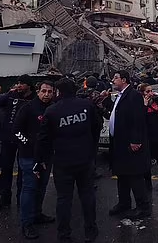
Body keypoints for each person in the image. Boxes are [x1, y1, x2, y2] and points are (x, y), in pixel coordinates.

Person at [35, 78, 100, 242]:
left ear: (58, 92)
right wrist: (92, 148)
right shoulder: (86, 105)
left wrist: (40, 159)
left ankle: (64, 234)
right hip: (85, 159)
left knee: (64, 199)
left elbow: (43, 138)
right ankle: (91, 230)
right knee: (87, 195)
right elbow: (97, 126)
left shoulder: (52, 111)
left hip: (62, 161)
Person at [0, 75, 35, 213]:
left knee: (23, 170)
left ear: (29, 85)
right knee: (6, 168)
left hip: (24, 139)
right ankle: (4, 197)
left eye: (22, 83)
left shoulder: (34, 99)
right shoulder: (11, 96)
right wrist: (1, 116)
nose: (19, 86)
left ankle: (21, 199)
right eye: (18, 83)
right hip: (8, 137)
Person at [13, 80, 56, 239]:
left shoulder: (53, 108)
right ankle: (27, 223)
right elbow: (16, 130)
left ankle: (37, 214)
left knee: (42, 187)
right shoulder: (28, 108)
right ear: (38, 91)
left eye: (49, 92)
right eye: (43, 91)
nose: (46, 94)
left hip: (46, 156)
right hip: (29, 157)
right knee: (29, 188)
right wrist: (28, 144)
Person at [108, 70, 151, 219]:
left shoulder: (133, 96)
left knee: (134, 175)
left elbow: (138, 119)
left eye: (116, 78)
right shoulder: (120, 95)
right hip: (119, 142)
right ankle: (124, 203)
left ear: (124, 80)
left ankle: (143, 207)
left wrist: (136, 140)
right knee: (122, 174)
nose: (113, 80)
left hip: (130, 143)